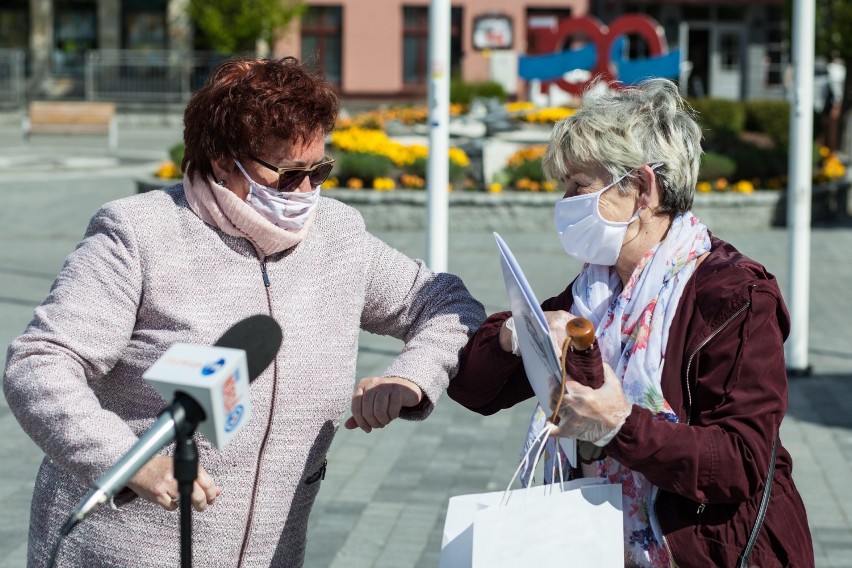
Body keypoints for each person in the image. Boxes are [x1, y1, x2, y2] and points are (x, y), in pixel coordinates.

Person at [3, 56, 484, 567]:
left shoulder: (340, 236)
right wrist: (128, 464)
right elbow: (39, 363)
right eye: (285, 175)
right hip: (118, 551)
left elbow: (445, 302)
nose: (304, 192)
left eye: (317, 172)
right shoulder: (138, 234)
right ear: (220, 162)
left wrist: (412, 377)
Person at [447, 79, 813, 567]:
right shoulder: (594, 292)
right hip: (603, 546)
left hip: (709, 551)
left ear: (641, 188)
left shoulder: (734, 296)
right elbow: (476, 391)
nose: (565, 202)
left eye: (580, 186)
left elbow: (741, 463)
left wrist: (618, 424)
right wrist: (514, 333)